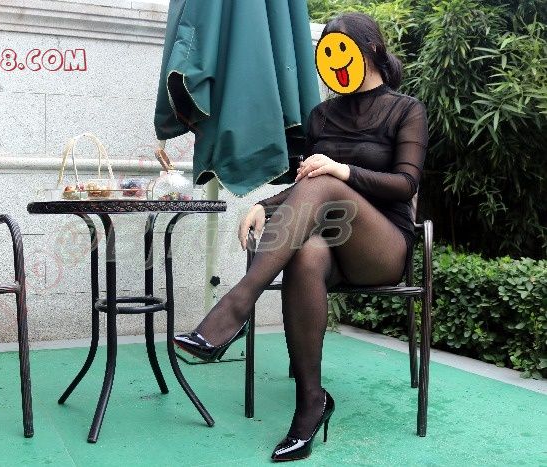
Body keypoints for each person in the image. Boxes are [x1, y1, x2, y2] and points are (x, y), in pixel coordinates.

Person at [174, 11, 428, 463]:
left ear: (371, 50)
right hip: (330, 246)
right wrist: (264, 205)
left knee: (327, 181)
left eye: (342, 50)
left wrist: (342, 171)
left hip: (382, 246)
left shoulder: (406, 110)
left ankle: (236, 306)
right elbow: (307, 186)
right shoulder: (321, 116)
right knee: (307, 252)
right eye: (326, 52)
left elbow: (405, 184)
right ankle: (311, 402)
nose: (334, 61)